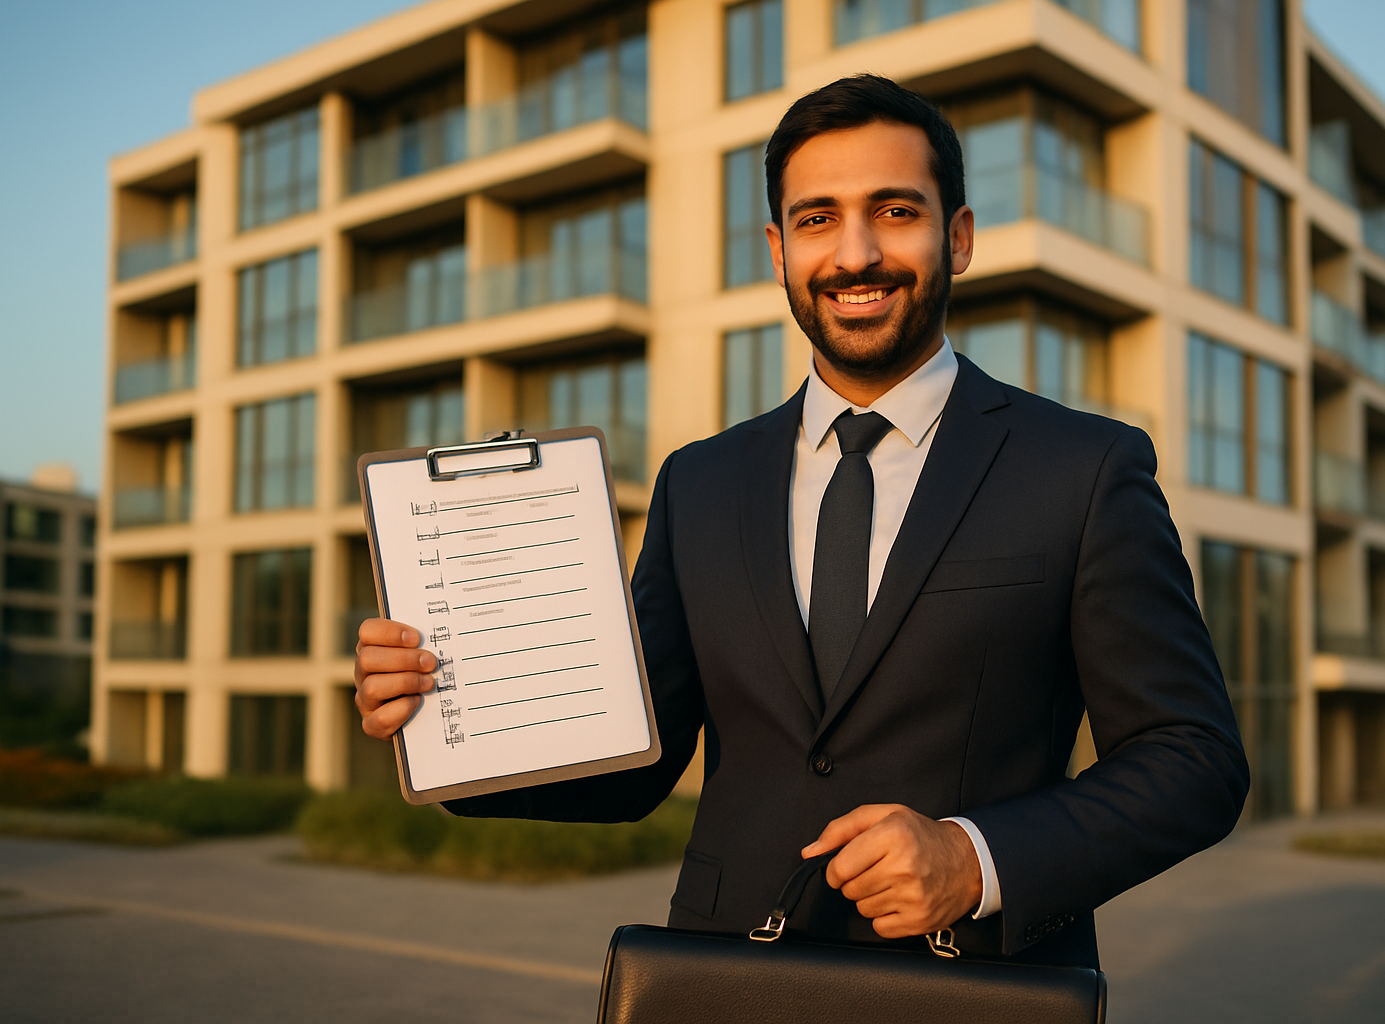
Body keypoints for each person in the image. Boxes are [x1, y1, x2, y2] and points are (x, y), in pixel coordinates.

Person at [354, 75, 1248, 967]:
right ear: (779, 252)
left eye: (895, 211)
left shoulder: (1084, 469)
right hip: (724, 980)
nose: (855, 255)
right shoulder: (698, 481)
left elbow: (1193, 759)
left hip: (972, 987)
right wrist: (444, 721)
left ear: (960, 237)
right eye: (818, 220)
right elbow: (636, 763)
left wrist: (975, 860)